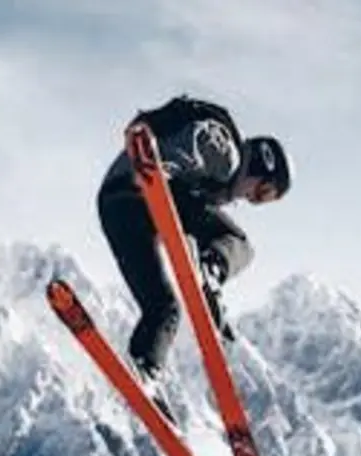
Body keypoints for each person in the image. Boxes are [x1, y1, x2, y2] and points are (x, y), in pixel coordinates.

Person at [96, 95, 293, 395]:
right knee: (239, 243)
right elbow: (194, 143)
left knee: (163, 308)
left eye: (263, 200)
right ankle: (213, 269)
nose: (252, 200)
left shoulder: (218, 181)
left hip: (116, 207)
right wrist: (156, 173)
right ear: (260, 165)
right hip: (142, 191)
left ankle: (144, 371)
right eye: (263, 191)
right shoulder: (226, 152)